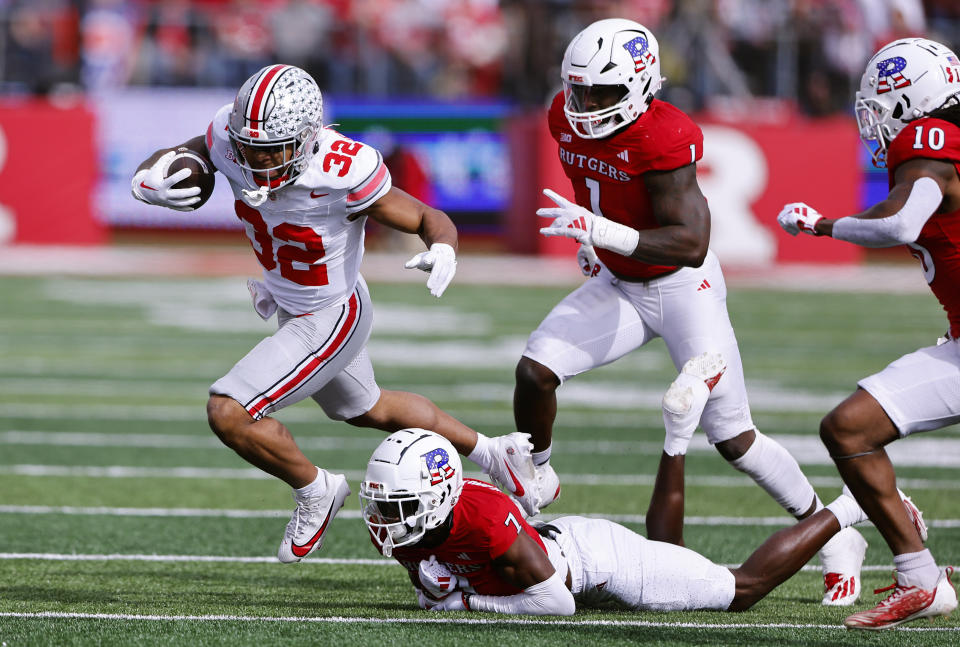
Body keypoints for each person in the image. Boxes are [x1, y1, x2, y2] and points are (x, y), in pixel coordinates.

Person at [512, 17, 867, 606]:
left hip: (682, 287)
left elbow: (689, 242)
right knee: (535, 370)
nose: (587, 103)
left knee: (732, 438)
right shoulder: (562, 115)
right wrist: (591, 242)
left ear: (643, 84)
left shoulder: (663, 136)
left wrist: (598, 231)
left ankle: (833, 531)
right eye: (579, 89)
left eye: (603, 92)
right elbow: (593, 187)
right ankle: (538, 471)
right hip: (620, 283)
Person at [130, 64, 537, 564]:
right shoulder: (232, 137)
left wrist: (444, 247)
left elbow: (428, 217)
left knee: (229, 410)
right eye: (247, 147)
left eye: (270, 148)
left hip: (331, 313)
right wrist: (150, 177)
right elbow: (193, 152)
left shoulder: (342, 170)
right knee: (369, 408)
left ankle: (315, 488)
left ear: (306, 138)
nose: (254, 159)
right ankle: (494, 452)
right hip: (293, 306)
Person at [357, 371, 939, 619]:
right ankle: (677, 435)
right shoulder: (421, 525)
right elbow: (435, 582)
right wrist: (436, 588)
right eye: (384, 503)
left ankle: (849, 506)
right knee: (674, 552)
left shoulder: (482, 515)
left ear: (436, 494)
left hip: (596, 562)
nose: (385, 517)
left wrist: (466, 604)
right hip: (572, 548)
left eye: (396, 505)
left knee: (739, 590)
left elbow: (555, 603)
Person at [777, 37, 960, 629]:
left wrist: (823, 225)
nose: (875, 118)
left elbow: (903, 221)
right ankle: (921, 579)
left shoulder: (928, 138)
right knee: (850, 427)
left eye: (883, 102)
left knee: (849, 427)